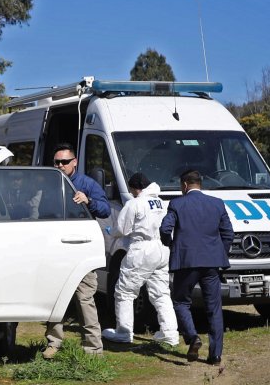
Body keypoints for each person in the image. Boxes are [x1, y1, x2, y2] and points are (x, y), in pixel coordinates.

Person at [160, 170, 234, 366]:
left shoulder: (176, 203)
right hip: (212, 263)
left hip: (186, 262)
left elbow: (164, 229)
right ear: (199, 184)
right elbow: (228, 233)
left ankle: (193, 338)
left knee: (181, 302)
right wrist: (220, 252)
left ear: (184, 185)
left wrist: (171, 244)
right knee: (214, 309)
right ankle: (215, 355)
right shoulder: (217, 203)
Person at [42, 143, 109, 358]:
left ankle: (93, 348)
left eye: (64, 162)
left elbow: (105, 209)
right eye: (57, 162)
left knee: (84, 298)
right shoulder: (50, 183)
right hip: (57, 249)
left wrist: (88, 201)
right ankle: (54, 343)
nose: (60, 165)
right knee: (54, 296)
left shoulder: (87, 184)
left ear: (74, 162)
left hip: (81, 250)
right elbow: (43, 213)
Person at [101, 173, 179, 346]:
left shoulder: (135, 203)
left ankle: (123, 332)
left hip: (142, 249)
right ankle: (170, 333)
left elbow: (123, 228)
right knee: (161, 292)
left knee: (124, 292)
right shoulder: (159, 202)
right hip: (161, 248)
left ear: (135, 188)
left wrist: (110, 231)